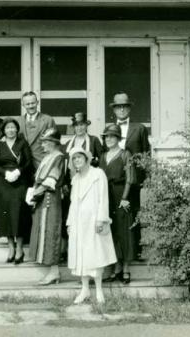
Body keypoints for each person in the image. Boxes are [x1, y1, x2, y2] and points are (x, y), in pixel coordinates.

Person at [66, 146, 117, 304]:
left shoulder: (98, 174)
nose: (77, 161)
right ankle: (85, 289)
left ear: (86, 158)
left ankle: (99, 290)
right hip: (79, 222)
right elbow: (73, 202)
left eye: (79, 157)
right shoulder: (76, 179)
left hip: (94, 221)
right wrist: (69, 222)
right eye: (74, 158)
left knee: (95, 254)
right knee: (81, 255)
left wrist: (101, 219)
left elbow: (103, 197)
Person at [110, 92, 151, 260]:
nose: (121, 110)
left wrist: (148, 175)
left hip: (134, 177)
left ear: (129, 109)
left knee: (133, 211)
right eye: (118, 107)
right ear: (114, 110)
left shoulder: (139, 128)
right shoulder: (110, 129)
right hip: (115, 178)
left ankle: (136, 249)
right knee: (117, 212)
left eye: (124, 107)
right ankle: (118, 250)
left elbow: (146, 153)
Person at [61, 112, 104, 261]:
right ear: (73, 127)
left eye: (82, 125)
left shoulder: (93, 141)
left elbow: (102, 161)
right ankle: (68, 249)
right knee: (71, 214)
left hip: (88, 185)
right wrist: (64, 184)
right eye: (76, 125)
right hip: (72, 185)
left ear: (86, 125)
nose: (79, 128)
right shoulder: (67, 144)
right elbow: (64, 166)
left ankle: (88, 250)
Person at [98, 124, 136, 283]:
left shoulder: (125, 154)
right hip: (107, 196)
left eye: (112, 136)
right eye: (106, 136)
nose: (109, 139)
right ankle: (117, 267)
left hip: (121, 194)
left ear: (118, 138)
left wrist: (125, 198)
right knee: (112, 231)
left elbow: (130, 178)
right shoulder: (103, 156)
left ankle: (126, 269)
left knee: (124, 232)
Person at [27, 128, 64, 285]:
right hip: (42, 200)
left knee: (51, 232)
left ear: (54, 143)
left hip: (50, 199)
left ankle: (54, 272)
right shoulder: (47, 157)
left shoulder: (59, 158)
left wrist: (35, 194)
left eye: (46, 142)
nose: (43, 146)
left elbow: (51, 179)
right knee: (44, 231)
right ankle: (52, 271)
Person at [0, 118, 33, 264]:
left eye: (13, 128)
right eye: (7, 128)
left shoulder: (22, 143)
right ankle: (11, 247)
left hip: (19, 182)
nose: (10, 130)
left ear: (17, 130)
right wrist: (5, 173)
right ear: (4, 130)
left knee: (19, 214)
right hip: (4, 183)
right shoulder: (0, 145)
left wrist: (18, 172)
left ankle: (20, 249)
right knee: (6, 215)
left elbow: (28, 162)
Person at [18, 91, 56, 171]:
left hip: (42, 161)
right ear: (23, 105)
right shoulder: (18, 121)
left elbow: (55, 144)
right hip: (24, 163)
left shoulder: (48, 120)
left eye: (33, 103)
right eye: (27, 104)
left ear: (37, 102)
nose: (31, 106)